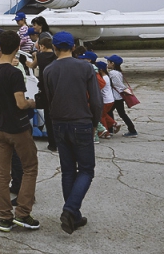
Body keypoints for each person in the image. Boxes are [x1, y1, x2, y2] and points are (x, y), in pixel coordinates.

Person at [44, 31, 102, 234]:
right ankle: (70, 209)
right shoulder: (85, 67)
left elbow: (50, 100)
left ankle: (74, 216)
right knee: (86, 170)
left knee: (68, 171)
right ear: (73, 47)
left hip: (59, 123)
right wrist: (95, 122)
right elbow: (95, 100)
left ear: (55, 48)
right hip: (81, 122)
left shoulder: (49, 70)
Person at [0, 30, 39, 232]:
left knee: (2, 174)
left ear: (0, 47)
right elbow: (20, 103)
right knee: (29, 168)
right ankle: (23, 213)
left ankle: (4, 217)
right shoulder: (14, 73)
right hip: (18, 128)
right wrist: (33, 103)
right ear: (17, 48)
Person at [26, 36, 58, 151]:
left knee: (48, 116)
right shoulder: (56, 56)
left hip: (44, 89)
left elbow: (32, 66)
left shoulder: (39, 56)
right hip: (56, 88)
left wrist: (27, 61)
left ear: (42, 46)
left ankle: (52, 143)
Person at [106, 55, 138, 138]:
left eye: (108, 62)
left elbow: (119, 85)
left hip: (116, 97)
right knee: (117, 113)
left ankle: (131, 130)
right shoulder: (118, 72)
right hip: (118, 97)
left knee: (109, 112)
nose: (107, 64)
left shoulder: (113, 73)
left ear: (112, 63)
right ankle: (112, 129)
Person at [95, 61, 117, 138]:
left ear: (100, 70)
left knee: (102, 116)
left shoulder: (103, 78)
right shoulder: (107, 76)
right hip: (110, 99)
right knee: (104, 114)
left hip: (105, 100)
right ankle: (114, 124)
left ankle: (105, 132)